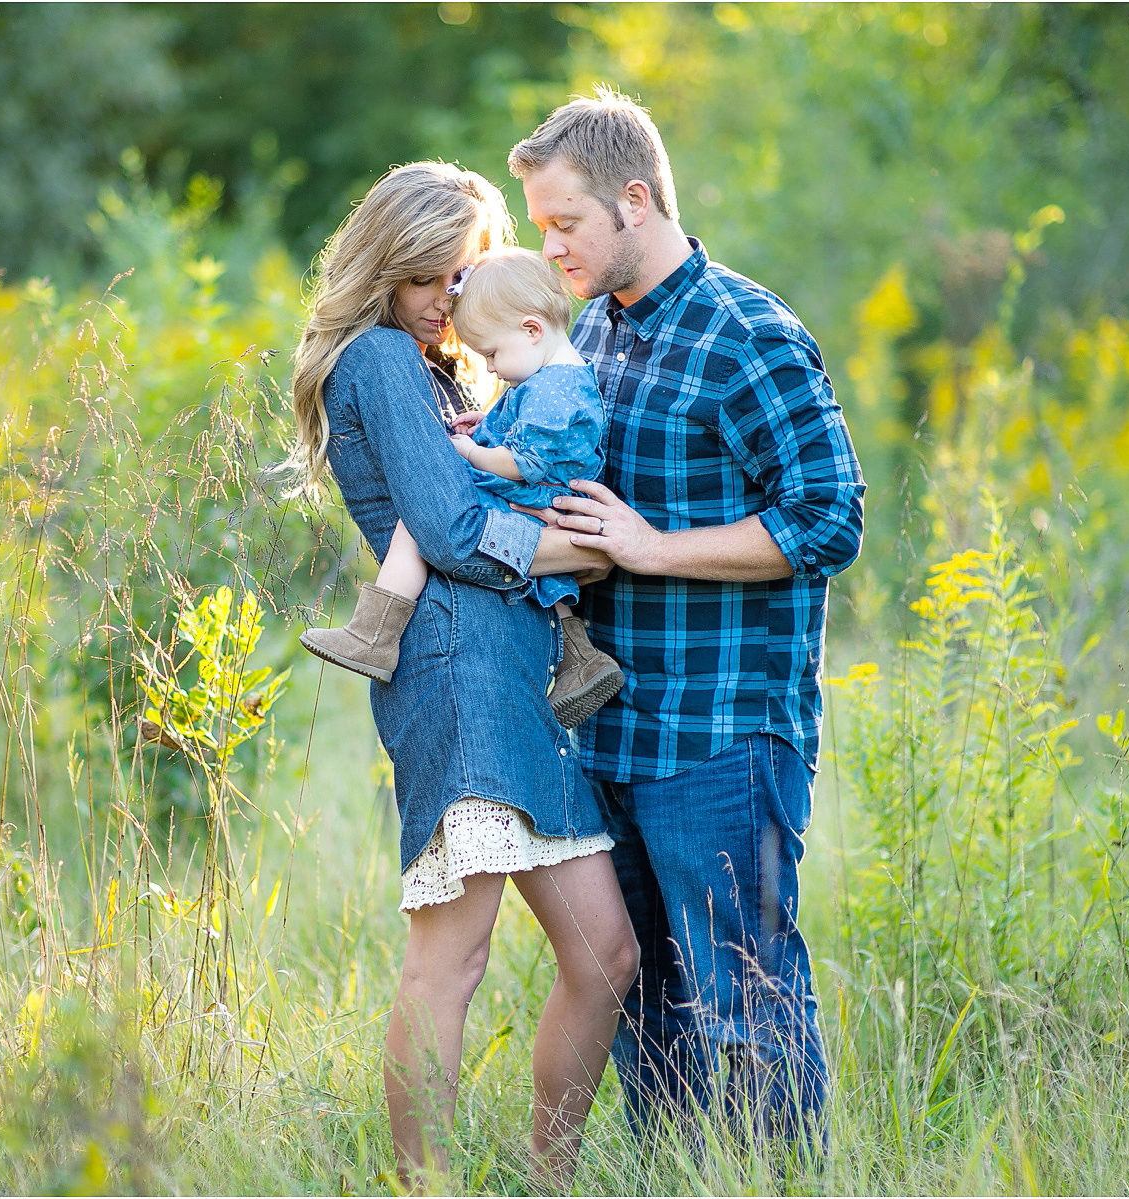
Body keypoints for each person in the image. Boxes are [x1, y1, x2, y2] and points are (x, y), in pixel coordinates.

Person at [507, 91, 866, 1145]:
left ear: (634, 199)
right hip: (608, 730)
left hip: (719, 735)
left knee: (745, 999)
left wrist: (652, 547)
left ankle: (783, 1178)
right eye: (539, 226)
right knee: (645, 1009)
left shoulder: (747, 331)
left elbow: (828, 518)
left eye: (563, 221)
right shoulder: (591, 336)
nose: (550, 244)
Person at [285, 161, 639, 1191]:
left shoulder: (450, 367)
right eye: (435, 277)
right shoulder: (381, 360)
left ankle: (550, 1179)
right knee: (455, 956)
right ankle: (423, 1185)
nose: (455, 299)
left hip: (516, 672)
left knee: (605, 956)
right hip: (450, 664)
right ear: (388, 267)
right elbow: (444, 527)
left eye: (467, 274)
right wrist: (579, 551)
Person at [299, 246, 625, 729]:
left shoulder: (556, 385)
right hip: (550, 496)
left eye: (492, 354)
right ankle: (580, 658)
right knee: (538, 573)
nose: (490, 368)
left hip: (539, 490)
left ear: (531, 329)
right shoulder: (554, 374)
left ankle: (375, 631)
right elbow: (529, 423)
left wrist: (471, 453)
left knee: (424, 515)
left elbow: (526, 459)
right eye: (420, 281)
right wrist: (488, 422)